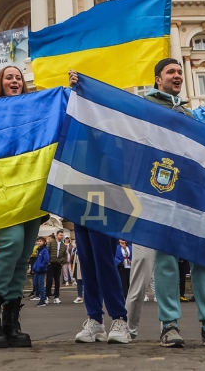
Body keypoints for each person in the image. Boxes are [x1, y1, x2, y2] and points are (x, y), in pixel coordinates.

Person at [132, 59, 205, 348]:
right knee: (167, 259)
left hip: (194, 190)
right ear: (158, 79)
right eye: (171, 72)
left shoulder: (190, 113)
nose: (178, 76)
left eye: (180, 72)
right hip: (162, 189)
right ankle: (168, 325)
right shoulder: (145, 107)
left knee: (203, 256)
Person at [0, 66, 45, 349]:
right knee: (11, 244)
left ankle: (10, 320)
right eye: (9, 77)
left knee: (22, 254)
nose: (15, 81)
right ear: (0, 83)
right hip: (4, 192)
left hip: (32, 191)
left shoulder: (36, 111)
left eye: (18, 78)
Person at [67, 72, 131, 345]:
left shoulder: (113, 128)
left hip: (103, 198)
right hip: (79, 196)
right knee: (87, 260)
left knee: (104, 260)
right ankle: (95, 319)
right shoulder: (78, 126)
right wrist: (75, 89)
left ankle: (119, 318)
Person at [124, 243, 155, 338]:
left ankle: (169, 324)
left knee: (168, 265)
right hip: (142, 232)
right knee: (142, 260)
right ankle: (128, 328)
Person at [46, 229, 68, 304]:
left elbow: (65, 255)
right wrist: (48, 261)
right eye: (60, 235)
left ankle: (56, 297)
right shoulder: (51, 243)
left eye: (62, 235)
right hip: (51, 263)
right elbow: (47, 251)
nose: (62, 236)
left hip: (58, 264)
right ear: (57, 235)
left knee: (57, 281)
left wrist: (62, 262)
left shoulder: (64, 246)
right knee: (49, 280)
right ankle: (47, 296)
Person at [32, 237, 49, 307]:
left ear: (44, 242)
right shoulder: (39, 250)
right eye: (38, 241)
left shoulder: (44, 250)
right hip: (37, 270)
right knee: (35, 284)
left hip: (41, 270)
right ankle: (41, 296)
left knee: (41, 285)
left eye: (40, 241)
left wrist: (41, 266)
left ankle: (43, 300)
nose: (39, 242)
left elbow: (46, 259)